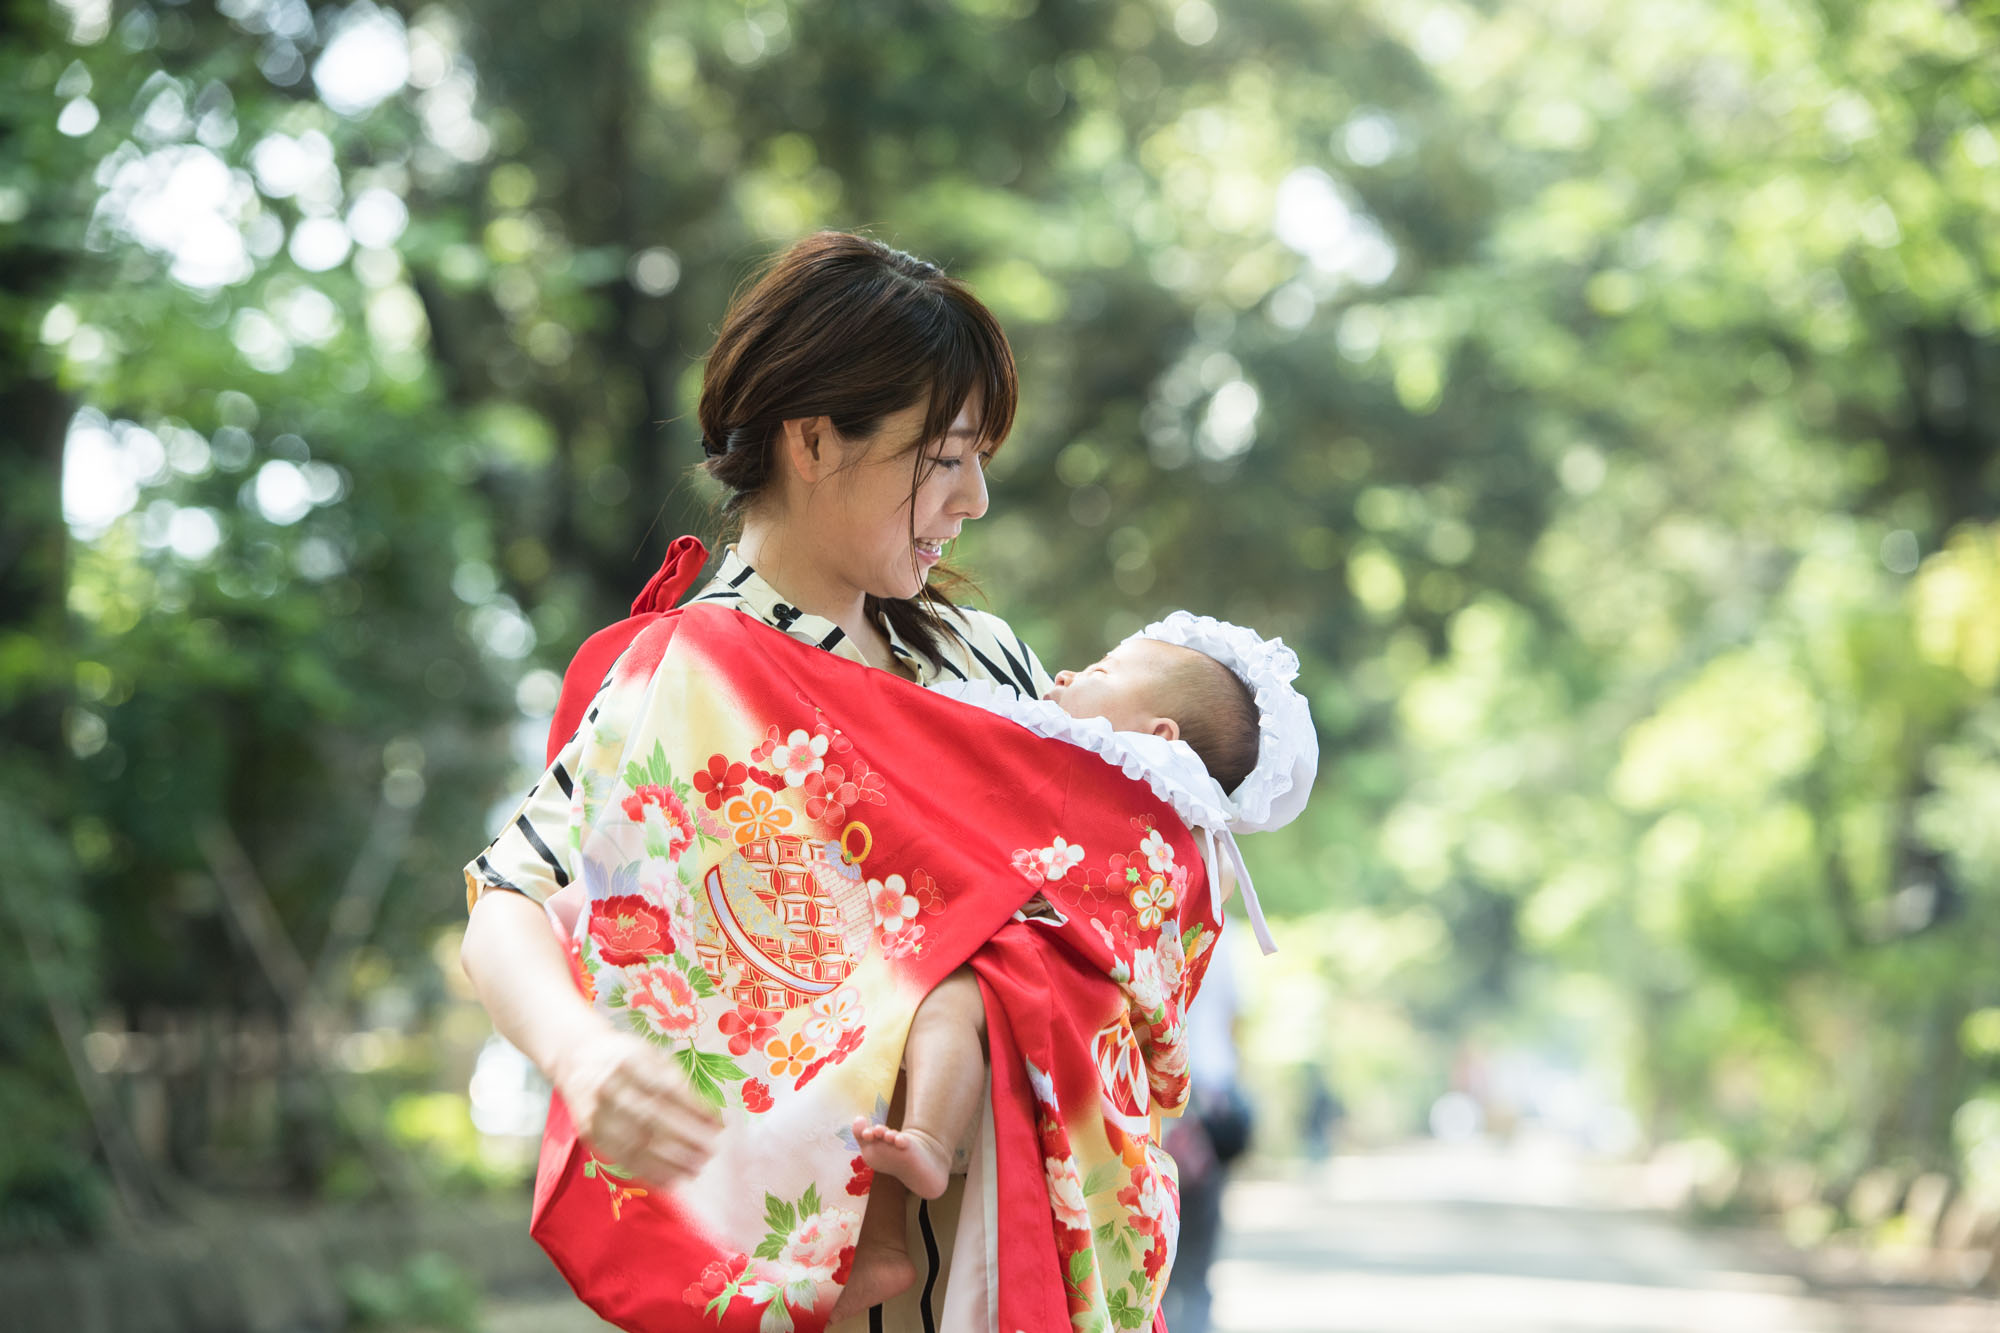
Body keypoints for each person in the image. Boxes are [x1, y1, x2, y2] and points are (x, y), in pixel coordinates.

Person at [457, 230, 1053, 1332]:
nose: (973, 498)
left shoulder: (987, 660)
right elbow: (509, 900)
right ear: (814, 439)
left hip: (1003, 1258)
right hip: (801, 1284)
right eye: (945, 455)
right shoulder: (686, 671)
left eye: (982, 459)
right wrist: (582, 1056)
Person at [843, 615, 1306, 1314]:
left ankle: (924, 1152)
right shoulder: (1149, 795)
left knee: (946, 1002)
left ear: (1162, 738)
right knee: (923, 1020)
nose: (1066, 675)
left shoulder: (1140, 779)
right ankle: (887, 1225)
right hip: (1031, 962)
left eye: (1099, 673)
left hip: (1054, 972)